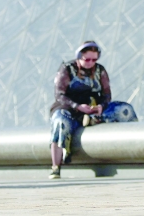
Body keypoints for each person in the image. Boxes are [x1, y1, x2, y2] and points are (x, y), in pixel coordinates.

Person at [48, 41, 137, 179]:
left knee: (125, 109)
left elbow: (107, 94)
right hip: (69, 109)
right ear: (79, 56)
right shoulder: (67, 69)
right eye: (87, 59)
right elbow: (59, 95)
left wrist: (101, 106)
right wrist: (78, 106)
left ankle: (133, 150)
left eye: (94, 59)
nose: (91, 62)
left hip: (93, 108)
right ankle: (56, 166)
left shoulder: (100, 70)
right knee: (60, 123)